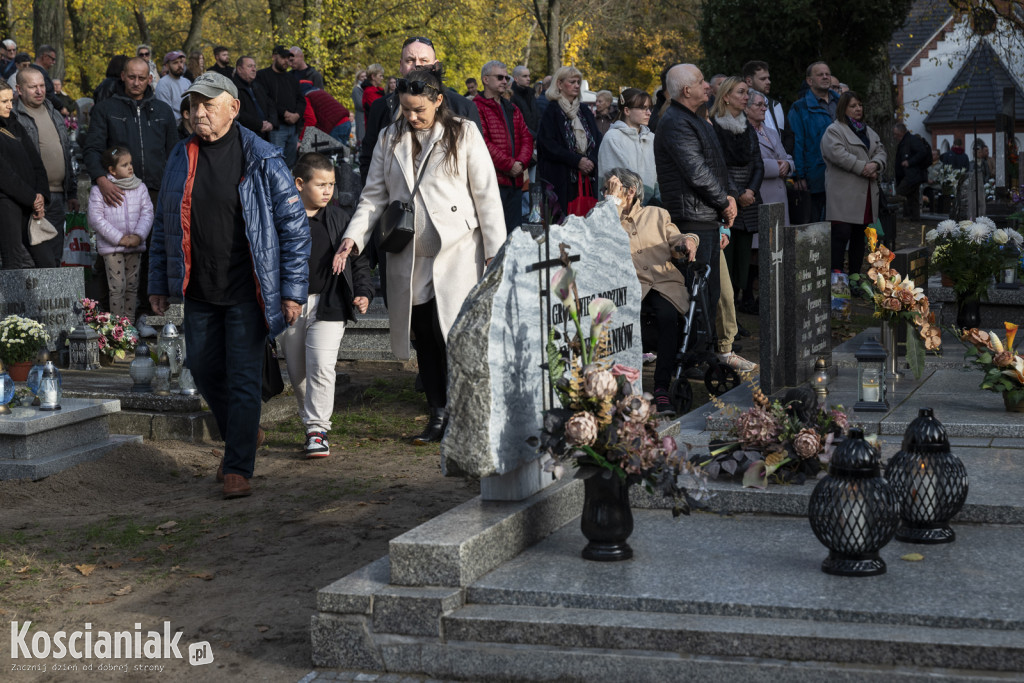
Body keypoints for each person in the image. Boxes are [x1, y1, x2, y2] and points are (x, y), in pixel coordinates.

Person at [148, 71, 310, 498]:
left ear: (233, 108)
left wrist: (292, 291)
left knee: (242, 377)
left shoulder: (263, 157)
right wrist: (158, 281)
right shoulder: (180, 155)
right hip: (199, 288)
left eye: (208, 104)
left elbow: (294, 229)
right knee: (203, 369)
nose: (198, 113)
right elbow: (164, 224)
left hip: (247, 290)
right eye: (193, 105)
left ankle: (238, 465)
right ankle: (245, 431)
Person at [332, 66, 504, 445]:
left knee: (456, 337)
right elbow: (373, 196)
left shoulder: (463, 132)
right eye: (405, 109)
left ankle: (466, 413)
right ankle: (437, 413)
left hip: (459, 254)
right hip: (409, 257)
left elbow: (487, 195)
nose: (411, 116)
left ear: (438, 100)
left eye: (419, 110)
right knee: (424, 337)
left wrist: (495, 252)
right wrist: (353, 238)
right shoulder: (389, 136)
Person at [279, 153, 372, 458]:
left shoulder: (339, 218)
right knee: (298, 373)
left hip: (330, 302)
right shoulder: (281, 217)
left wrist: (363, 291)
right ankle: (310, 424)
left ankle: (317, 430)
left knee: (322, 365)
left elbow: (358, 260)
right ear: (299, 183)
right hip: (291, 305)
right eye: (321, 184)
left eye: (331, 184)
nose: (328, 190)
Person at [653, 64, 741, 370]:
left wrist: (730, 196)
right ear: (686, 90)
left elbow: (717, 165)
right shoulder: (676, 122)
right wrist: (724, 202)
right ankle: (693, 357)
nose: (708, 86)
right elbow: (696, 171)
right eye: (701, 81)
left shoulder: (696, 119)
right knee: (698, 292)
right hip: (691, 217)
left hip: (706, 214)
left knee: (710, 292)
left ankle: (704, 352)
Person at [84, 57, 177, 316]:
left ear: (150, 79)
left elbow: (173, 152)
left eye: (142, 78)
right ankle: (106, 319)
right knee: (111, 255)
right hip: (116, 193)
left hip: (155, 190)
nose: (136, 82)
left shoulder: (162, 111)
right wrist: (102, 180)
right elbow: (92, 149)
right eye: (132, 77)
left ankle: (147, 314)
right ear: (123, 76)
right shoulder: (106, 109)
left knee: (152, 253)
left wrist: (172, 190)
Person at [604, 167, 697, 415]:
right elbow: (601, 238)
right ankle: (620, 387)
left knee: (667, 316)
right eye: (605, 190)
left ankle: (661, 388)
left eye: (612, 189)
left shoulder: (656, 214)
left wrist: (687, 241)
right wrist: (611, 203)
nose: (606, 194)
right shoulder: (607, 217)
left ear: (631, 191)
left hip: (663, 283)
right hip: (629, 287)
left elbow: (677, 238)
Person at [13, 67, 78, 266]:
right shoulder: (13, 116)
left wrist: (72, 192)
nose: (39, 91)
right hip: (30, 198)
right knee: (30, 259)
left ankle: (53, 288)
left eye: (42, 85)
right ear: (19, 89)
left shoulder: (54, 112)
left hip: (57, 196)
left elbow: (66, 152)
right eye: (33, 87)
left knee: (54, 256)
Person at [710, 77, 763, 309]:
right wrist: (738, 193)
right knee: (726, 262)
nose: (746, 97)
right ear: (725, 97)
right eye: (741, 92)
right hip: (726, 199)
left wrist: (751, 191)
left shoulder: (747, 126)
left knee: (743, 260)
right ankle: (726, 315)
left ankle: (738, 308)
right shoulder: (713, 126)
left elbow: (758, 163)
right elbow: (718, 165)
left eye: (747, 92)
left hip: (748, 202)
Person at [821, 91, 886, 275]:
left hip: (864, 195)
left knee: (859, 236)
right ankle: (837, 278)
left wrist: (875, 165)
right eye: (853, 106)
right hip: (843, 194)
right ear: (843, 108)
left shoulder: (868, 131)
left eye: (860, 105)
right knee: (841, 234)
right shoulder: (834, 130)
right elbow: (838, 155)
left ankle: (855, 277)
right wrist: (864, 168)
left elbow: (881, 151)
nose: (858, 109)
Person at [88, 145, 153, 321]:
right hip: (113, 248)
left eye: (130, 163)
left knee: (132, 286)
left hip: (134, 246)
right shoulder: (99, 191)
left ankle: (129, 324)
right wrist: (119, 239)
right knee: (117, 288)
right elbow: (95, 218)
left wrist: (138, 236)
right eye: (124, 165)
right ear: (112, 170)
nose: (130, 167)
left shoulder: (140, 187)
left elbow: (147, 213)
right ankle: (118, 327)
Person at [475, 59, 533, 232]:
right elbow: (482, 142)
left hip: (515, 183)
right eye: (499, 77)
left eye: (506, 78)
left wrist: (520, 163)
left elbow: (526, 137)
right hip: (492, 183)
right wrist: (509, 165)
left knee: (514, 235)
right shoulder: (476, 107)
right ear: (486, 79)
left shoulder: (512, 108)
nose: (505, 81)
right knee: (494, 235)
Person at [536, 65, 601, 216]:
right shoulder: (552, 110)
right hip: (562, 177)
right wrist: (577, 161)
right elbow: (548, 144)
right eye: (572, 82)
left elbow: (597, 138)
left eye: (578, 82)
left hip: (587, 177)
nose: (577, 86)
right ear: (559, 84)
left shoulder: (584, 110)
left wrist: (591, 161)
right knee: (563, 222)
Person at [0, 81, 47, 270]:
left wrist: (41, 194)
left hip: (31, 201)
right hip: (6, 203)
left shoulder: (14, 123)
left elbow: (36, 162)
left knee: (46, 260)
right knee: (14, 261)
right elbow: (4, 174)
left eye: (11, 100)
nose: (10, 106)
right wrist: (32, 198)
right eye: (4, 102)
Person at [789, 61, 839, 222]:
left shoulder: (842, 103)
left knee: (841, 226)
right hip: (815, 176)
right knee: (816, 226)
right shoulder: (800, 108)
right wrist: (799, 176)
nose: (825, 77)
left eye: (827, 74)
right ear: (809, 81)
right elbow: (797, 143)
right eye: (820, 74)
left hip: (843, 174)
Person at [597, 88, 657, 204]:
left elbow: (658, 176)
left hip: (651, 206)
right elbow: (617, 180)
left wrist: (657, 201)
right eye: (643, 108)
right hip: (622, 205)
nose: (649, 113)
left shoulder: (652, 138)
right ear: (627, 111)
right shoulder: (613, 138)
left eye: (649, 108)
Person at [747, 89, 793, 226]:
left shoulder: (771, 132)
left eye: (765, 105)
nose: (764, 109)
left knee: (779, 237)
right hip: (761, 196)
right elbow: (750, 162)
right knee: (764, 237)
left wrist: (788, 165)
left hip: (780, 198)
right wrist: (778, 167)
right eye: (759, 105)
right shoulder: (743, 133)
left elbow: (786, 157)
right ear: (746, 108)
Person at [257, 45, 305, 167]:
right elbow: (265, 99)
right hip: (276, 127)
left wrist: (297, 114)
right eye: (283, 57)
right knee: (276, 163)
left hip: (293, 126)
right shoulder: (263, 76)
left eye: (288, 58)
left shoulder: (292, 78)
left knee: (290, 164)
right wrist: (284, 113)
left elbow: (301, 99)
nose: (286, 61)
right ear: (274, 57)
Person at [893, 122, 931, 220]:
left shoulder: (911, 140)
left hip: (913, 175)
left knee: (901, 192)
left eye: (896, 134)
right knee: (913, 197)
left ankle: (909, 215)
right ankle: (913, 217)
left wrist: (909, 162)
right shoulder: (906, 141)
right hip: (912, 175)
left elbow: (922, 152)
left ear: (901, 132)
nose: (895, 137)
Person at [232, 55, 274, 140]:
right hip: (246, 136)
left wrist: (271, 122)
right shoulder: (233, 88)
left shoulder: (258, 86)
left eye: (254, 66)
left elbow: (270, 104)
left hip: (265, 133)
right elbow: (238, 113)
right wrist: (259, 125)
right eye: (250, 66)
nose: (254, 69)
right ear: (239, 69)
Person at [155, 51, 190, 123]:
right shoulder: (163, 83)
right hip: (175, 126)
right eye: (175, 63)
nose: (180, 65)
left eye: (181, 62)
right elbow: (165, 112)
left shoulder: (187, 82)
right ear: (167, 66)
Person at [510, 65, 539, 136]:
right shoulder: (511, 96)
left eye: (529, 76)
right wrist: (533, 136)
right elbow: (517, 123)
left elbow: (538, 116)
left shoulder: (531, 94)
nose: (528, 79)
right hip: (523, 137)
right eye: (525, 76)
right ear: (516, 79)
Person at [352, 69, 367, 144]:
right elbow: (360, 105)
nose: (364, 78)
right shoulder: (356, 89)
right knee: (362, 137)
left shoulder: (366, 88)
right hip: (361, 116)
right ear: (358, 78)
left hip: (366, 116)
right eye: (362, 77)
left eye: (365, 76)